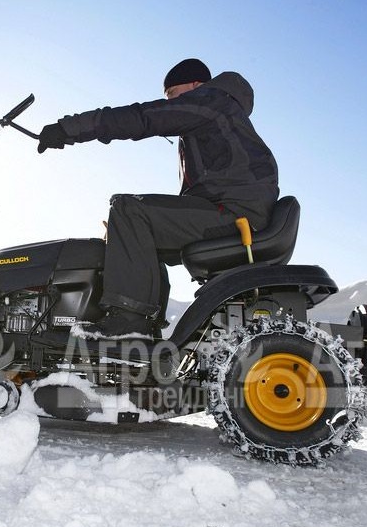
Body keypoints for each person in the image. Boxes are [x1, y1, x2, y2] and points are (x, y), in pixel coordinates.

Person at [36, 58, 280, 337]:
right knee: (137, 234)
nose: (170, 101)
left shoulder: (211, 101)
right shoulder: (219, 113)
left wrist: (69, 128)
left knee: (128, 209)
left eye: (172, 94)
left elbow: (144, 117)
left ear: (195, 85)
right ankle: (147, 325)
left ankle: (130, 320)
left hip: (235, 214)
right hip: (234, 211)